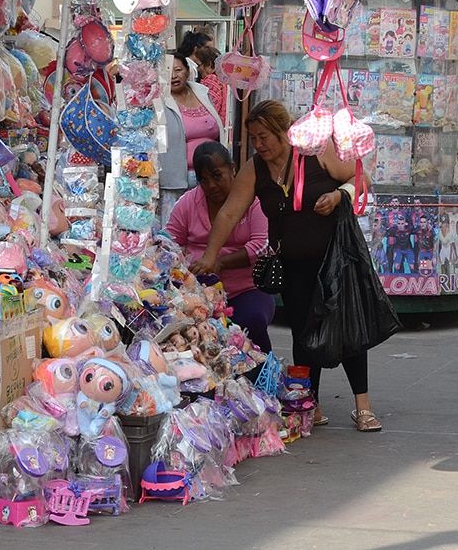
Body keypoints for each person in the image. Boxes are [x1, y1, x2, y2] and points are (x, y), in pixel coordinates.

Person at [195, 100, 381, 432]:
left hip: (336, 259)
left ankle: (362, 406)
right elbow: (229, 212)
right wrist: (211, 255)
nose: (259, 145)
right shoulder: (255, 168)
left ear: (285, 133)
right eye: (254, 138)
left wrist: (339, 196)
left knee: (348, 330)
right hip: (293, 263)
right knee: (303, 332)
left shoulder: (316, 153)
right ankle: (312, 403)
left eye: (264, 136)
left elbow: (360, 179)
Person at [166, 142, 273, 352]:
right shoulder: (188, 203)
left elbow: (262, 245)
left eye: (217, 176)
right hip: (198, 294)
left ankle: (262, 372)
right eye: (203, 180)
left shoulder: (253, 201)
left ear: (232, 169)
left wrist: (219, 262)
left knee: (250, 322)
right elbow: (169, 242)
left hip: (247, 289)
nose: (211, 185)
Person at [160, 54, 223, 220]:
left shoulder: (203, 93)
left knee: (207, 228)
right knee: (175, 232)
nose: (173, 75)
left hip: (210, 177)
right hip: (177, 180)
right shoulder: (159, 101)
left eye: (178, 70)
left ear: (188, 72)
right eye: (167, 71)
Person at [192, 43, 227, 126]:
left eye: (199, 65)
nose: (198, 69)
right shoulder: (221, 80)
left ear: (209, 64)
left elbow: (207, 109)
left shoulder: (211, 81)